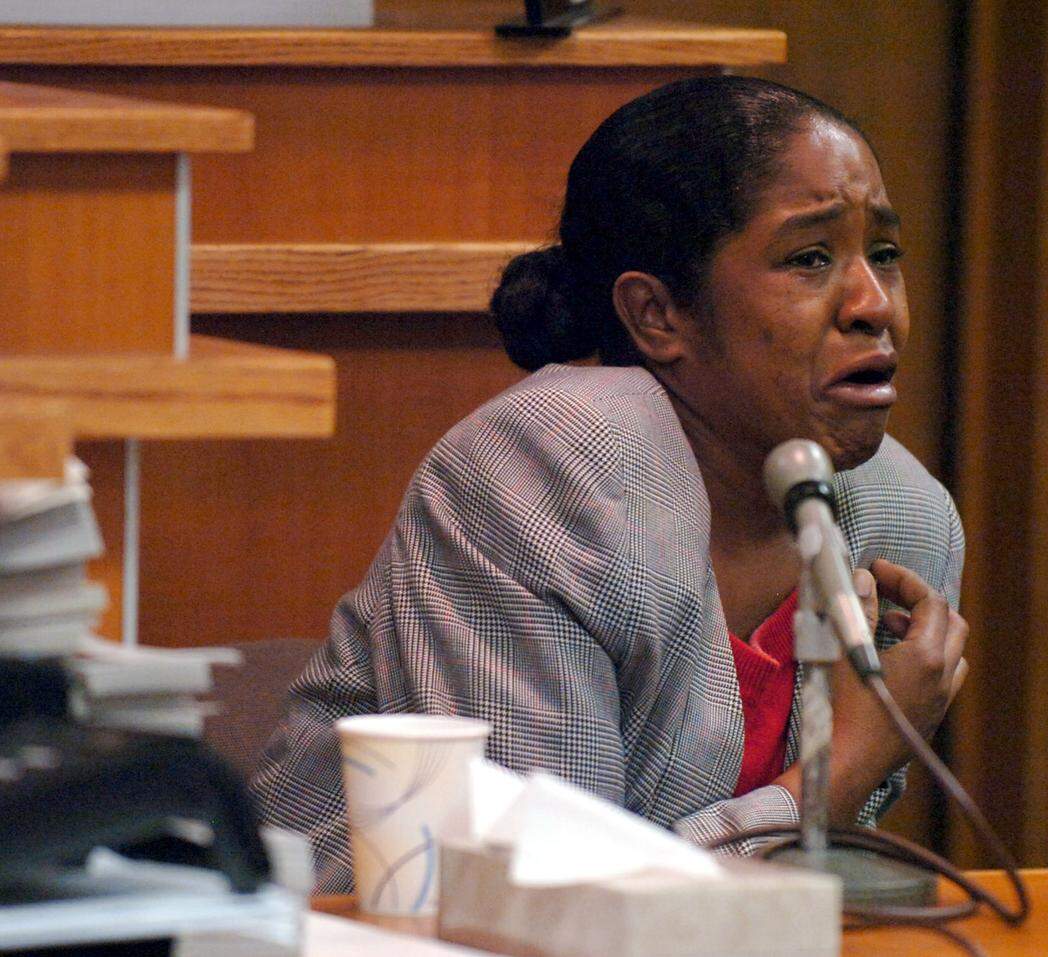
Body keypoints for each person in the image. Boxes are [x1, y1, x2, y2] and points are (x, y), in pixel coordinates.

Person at [251, 76, 968, 893]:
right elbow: (544, 898)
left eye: (884, 254)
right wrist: (838, 768)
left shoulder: (904, 518)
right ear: (658, 315)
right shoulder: (554, 468)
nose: (876, 305)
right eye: (810, 259)